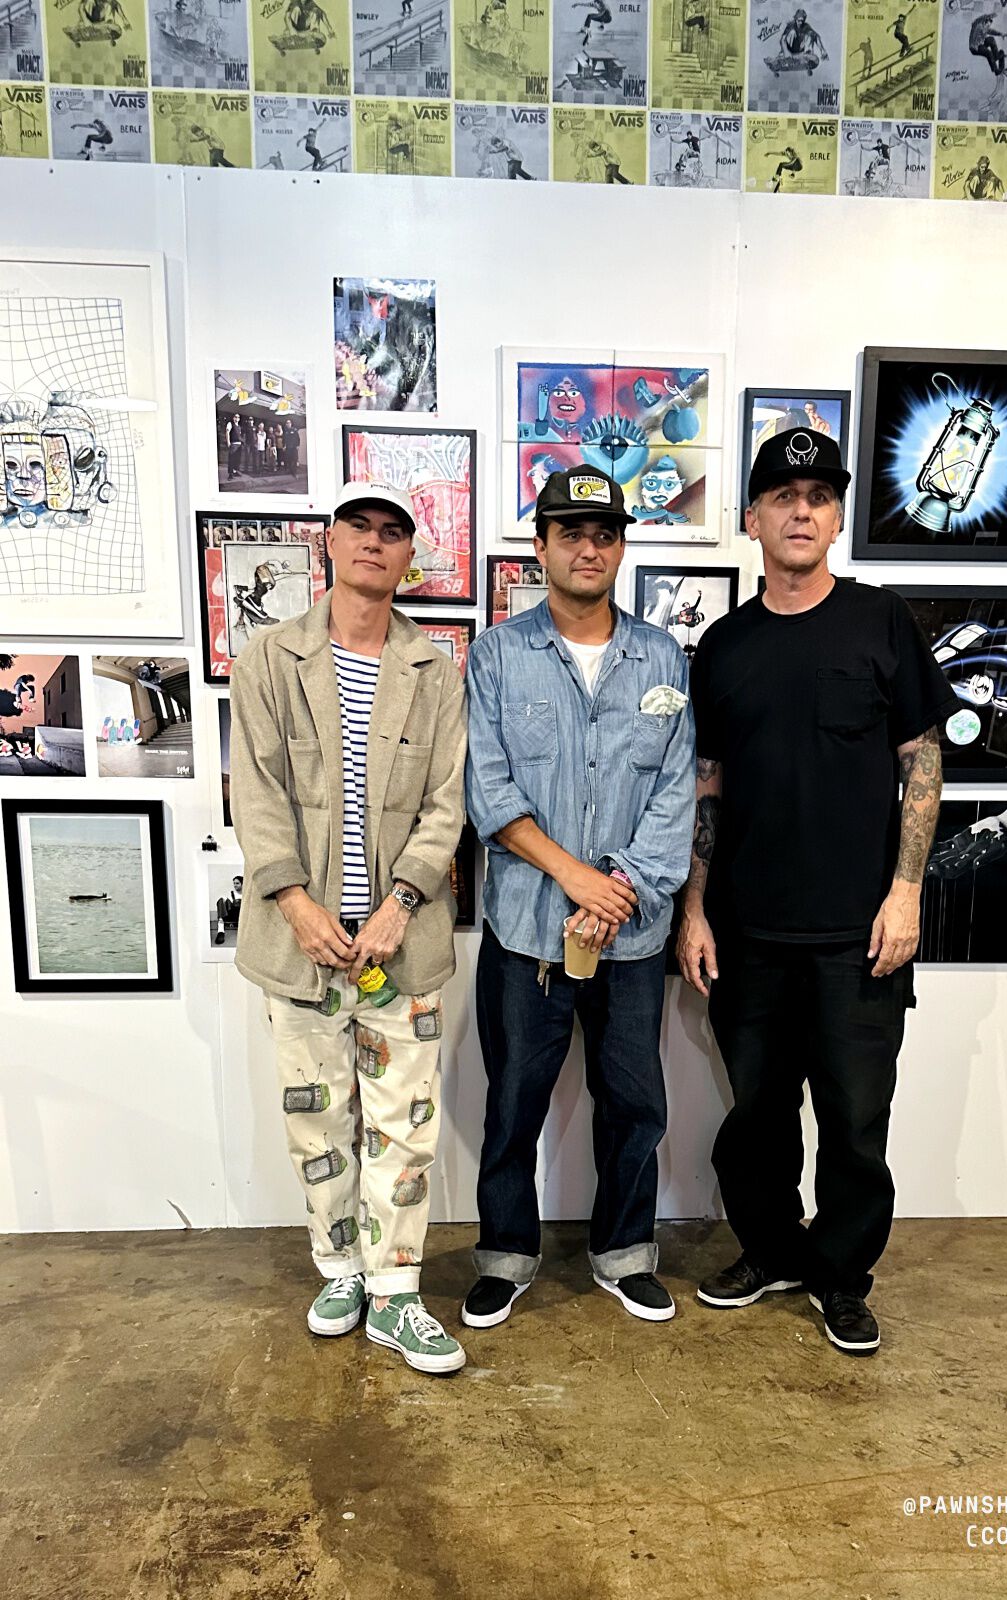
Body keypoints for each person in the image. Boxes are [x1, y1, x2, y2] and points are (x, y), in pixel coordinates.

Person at [678, 428, 960, 1356]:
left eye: (820, 496)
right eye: (783, 495)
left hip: (858, 935)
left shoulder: (881, 623)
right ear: (752, 516)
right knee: (754, 1118)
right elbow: (707, 783)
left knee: (853, 1121)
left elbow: (923, 764)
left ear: (837, 516)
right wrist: (693, 908)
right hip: (749, 932)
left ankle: (838, 1274)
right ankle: (770, 1252)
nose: (802, 511)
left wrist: (907, 891)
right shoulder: (722, 646)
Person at [229, 479, 469, 1376]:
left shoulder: (434, 668)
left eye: (392, 532)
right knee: (316, 1116)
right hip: (299, 943)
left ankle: (396, 1293)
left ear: (411, 555)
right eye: (358, 527)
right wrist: (295, 903)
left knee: (403, 1123)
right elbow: (254, 794)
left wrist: (400, 904)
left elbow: (449, 803)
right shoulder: (268, 659)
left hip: (402, 945)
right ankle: (338, 1269)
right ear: (327, 542)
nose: (374, 542)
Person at [462, 465, 695, 1330]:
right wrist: (576, 877)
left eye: (604, 535)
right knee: (514, 1102)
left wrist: (618, 890)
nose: (589, 548)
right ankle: (506, 1255)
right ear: (542, 545)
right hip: (527, 932)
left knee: (636, 1102)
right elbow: (488, 793)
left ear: (622, 547)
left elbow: (675, 792)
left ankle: (625, 1251)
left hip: (630, 937)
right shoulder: (495, 656)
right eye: (571, 533)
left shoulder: (663, 658)